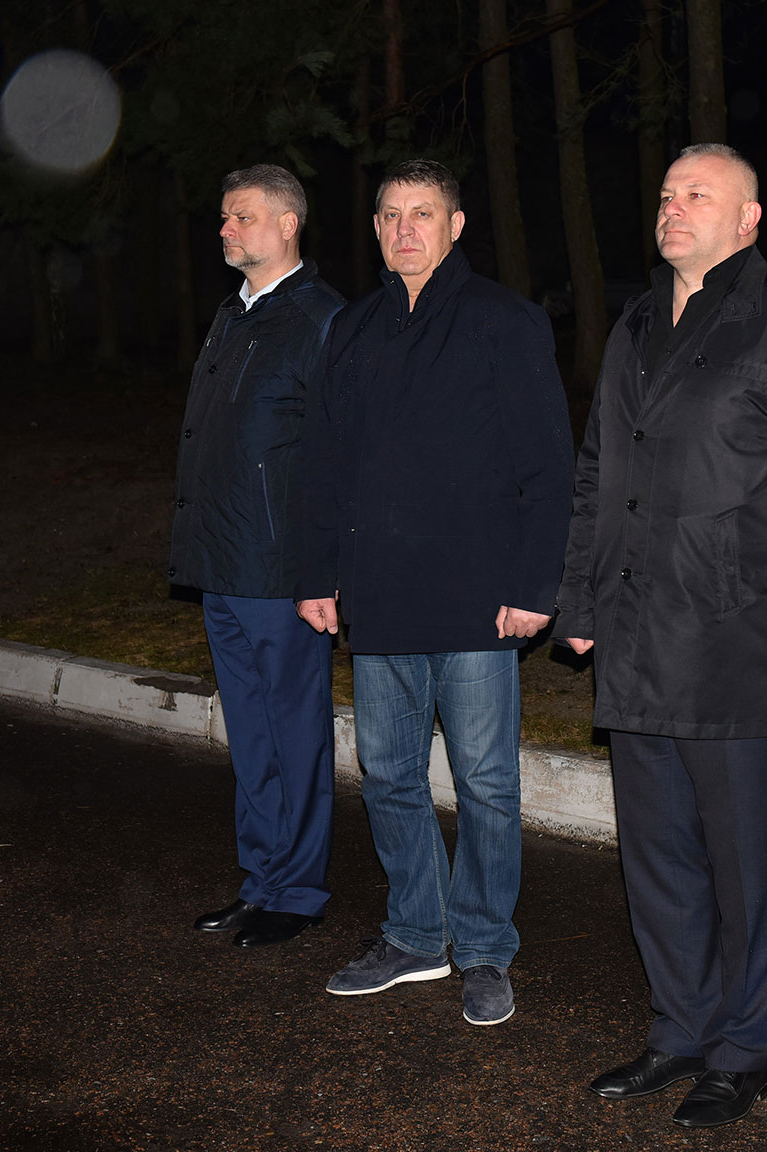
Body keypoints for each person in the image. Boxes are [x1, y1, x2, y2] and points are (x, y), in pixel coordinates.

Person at [554, 144, 767, 1128]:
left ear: (748, 219)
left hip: (735, 632)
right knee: (656, 857)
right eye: (666, 194)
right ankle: (680, 1029)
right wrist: (581, 604)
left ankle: (743, 1049)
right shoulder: (638, 322)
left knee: (741, 863)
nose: (674, 208)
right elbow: (597, 473)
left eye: (699, 194)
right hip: (636, 630)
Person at [295, 158, 574, 1026]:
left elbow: (548, 465)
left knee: (486, 783)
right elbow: (324, 461)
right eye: (390, 214)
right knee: (388, 776)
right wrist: (316, 573)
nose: (404, 229)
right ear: (376, 228)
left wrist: (536, 584)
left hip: (478, 600)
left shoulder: (504, 321)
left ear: (455, 226)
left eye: (423, 213)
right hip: (378, 595)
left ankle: (485, 947)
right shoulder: (351, 328)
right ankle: (417, 934)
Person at [171, 164, 345, 949]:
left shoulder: (320, 318)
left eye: (241, 216)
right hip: (222, 562)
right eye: (223, 217)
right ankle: (261, 881)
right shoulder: (232, 314)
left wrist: (323, 571)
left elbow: (338, 455)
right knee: (250, 736)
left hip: (281, 573)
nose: (226, 229)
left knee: (294, 735)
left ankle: (299, 891)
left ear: (287, 224)